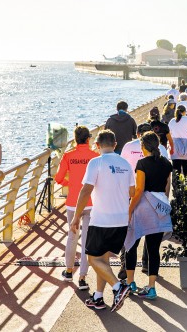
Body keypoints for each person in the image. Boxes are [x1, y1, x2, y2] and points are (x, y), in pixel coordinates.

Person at [70, 130, 135, 312]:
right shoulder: (125, 164)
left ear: (97, 146)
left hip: (102, 221)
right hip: (121, 220)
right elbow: (132, 192)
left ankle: (118, 287)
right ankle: (98, 297)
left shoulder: (96, 162)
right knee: (103, 260)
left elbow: (85, 191)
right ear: (115, 145)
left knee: (93, 259)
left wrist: (76, 216)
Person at [124, 131, 173, 299]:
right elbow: (167, 189)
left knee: (131, 245)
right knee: (153, 249)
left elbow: (139, 190)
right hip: (159, 208)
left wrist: (129, 210)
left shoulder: (142, 163)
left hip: (143, 207)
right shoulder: (166, 163)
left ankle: (131, 283)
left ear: (144, 146)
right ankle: (151, 287)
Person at [54, 126, 99, 290]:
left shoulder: (68, 156)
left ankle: (68, 271)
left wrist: (70, 183)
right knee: (87, 240)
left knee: (72, 236)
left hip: (73, 202)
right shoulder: (95, 156)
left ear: (75, 139)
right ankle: (82, 277)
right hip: (91, 203)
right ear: (88, 139)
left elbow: (58, 178)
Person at [168, 105, 187, 177]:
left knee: (176, 168)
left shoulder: (172, 121)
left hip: (175, 145)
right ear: (184, 112)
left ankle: (176, 185)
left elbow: (169, 133)